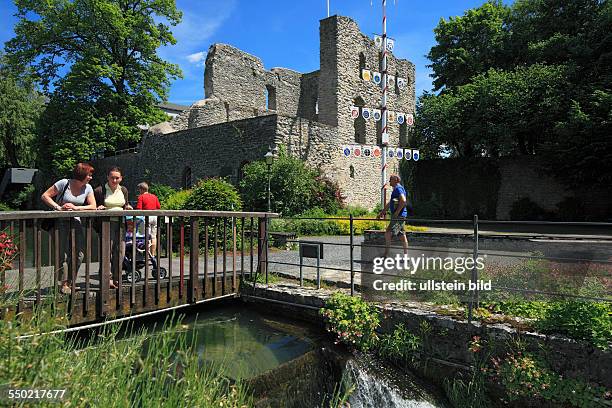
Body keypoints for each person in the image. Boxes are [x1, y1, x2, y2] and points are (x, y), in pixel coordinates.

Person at [41, 162, 96, 294]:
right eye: (89, 175)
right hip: (60, 222)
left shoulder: (88, 188)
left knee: (79, 254)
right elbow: (45, 196)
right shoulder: (64, 183)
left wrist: (76, 208)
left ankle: (71, 281)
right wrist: (58, 208)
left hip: (76, 222)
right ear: (82, 175)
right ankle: (63, 284)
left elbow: (93, 205)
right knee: (63, 254)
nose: (91, 177)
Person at [94, 167, 132, 289]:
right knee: (106, 253)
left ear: (121, 178)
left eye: (117, 178)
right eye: (112, 177)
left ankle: (117, 278)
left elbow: (124, 204)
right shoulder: (100, 190)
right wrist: (97, 208)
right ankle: (107, 279)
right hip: (106, 224)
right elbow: (92, 205)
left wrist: (127, 207)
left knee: (120, 252)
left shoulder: (124, 190)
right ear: (107, 177)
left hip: (121, 224)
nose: (114, 180)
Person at [377, 174, 409, 257]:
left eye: (391, 179)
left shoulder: (398, 188)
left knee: (389, 233)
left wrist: (397, 213)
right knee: (400, 235)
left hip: (399, 217)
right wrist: (382, 212)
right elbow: (390, 203)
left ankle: (386, 254)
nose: (389, 181)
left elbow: (403, 201)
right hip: (398, 216)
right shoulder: (396, 189)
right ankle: (403, 255)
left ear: (396, 180)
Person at [135, 182, 161, 255]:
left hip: (146, 217)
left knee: (147, 235)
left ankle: (147, 255)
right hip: (155, 217)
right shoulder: (154, 196)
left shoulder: (141, 197)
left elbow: (138, 209)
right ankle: (153, 255)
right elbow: (158, 207)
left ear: (141, 189)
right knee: (153, 236)